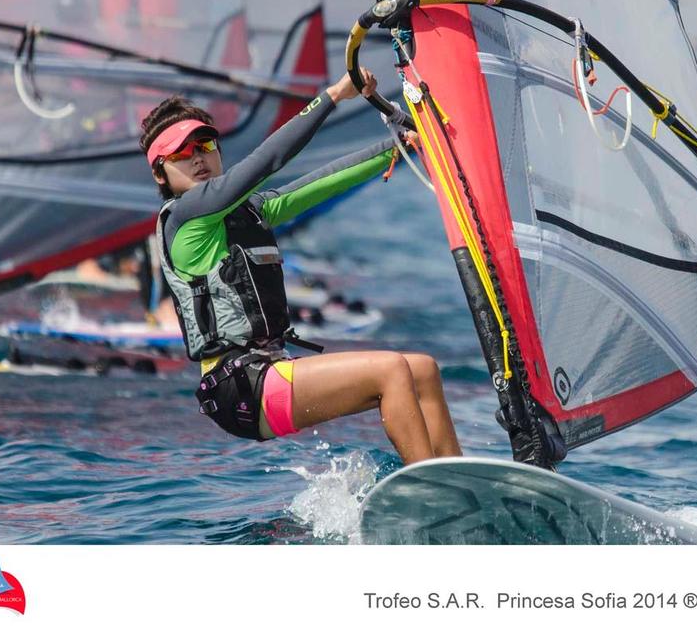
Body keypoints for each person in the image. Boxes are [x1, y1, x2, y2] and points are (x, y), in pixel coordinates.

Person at [139, 70, 461, 464]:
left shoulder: (253, 212)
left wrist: (398, 146)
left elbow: (322, 182)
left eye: (204, 144)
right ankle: (427, 486)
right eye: (180, 154)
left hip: (270, 369)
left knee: (423, 371)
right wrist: (333, 96)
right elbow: (267, 161)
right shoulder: (184, 219)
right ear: (160, 172)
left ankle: (458, 480)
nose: (197, 158)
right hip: (239, 388)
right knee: (391, 370)